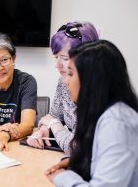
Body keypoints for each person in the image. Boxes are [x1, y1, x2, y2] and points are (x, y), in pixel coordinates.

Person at [46, 40, 138, 186]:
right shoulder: (102, 112)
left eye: (70, 73)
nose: (66, 81)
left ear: (90, 80)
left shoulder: (117, 122)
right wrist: (76, 162)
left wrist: (62, 177)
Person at [27, 21, 99, 154]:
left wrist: (54, 125)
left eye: (65, 58)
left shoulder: (98, 90)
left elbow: (77, 148)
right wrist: (44, 129)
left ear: (86, 57)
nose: (57, 65)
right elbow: (54, 115)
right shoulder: (64, 81)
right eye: (56, 57)